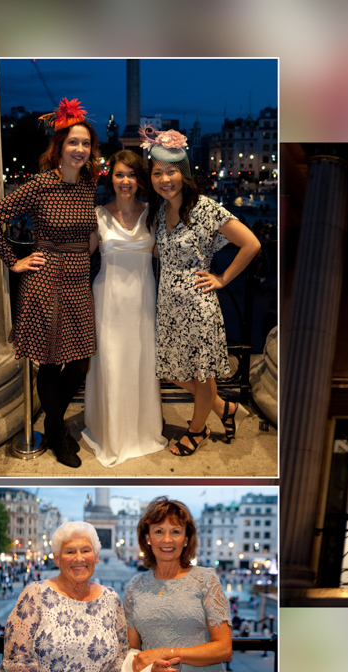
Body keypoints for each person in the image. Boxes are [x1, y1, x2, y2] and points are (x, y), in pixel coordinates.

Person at [0, 98, 99, 468]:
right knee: (49, 363)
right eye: (73, 142)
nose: (80, 149)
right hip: (46, 280)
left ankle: (53, 423)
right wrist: (15, 261)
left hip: (80, 278)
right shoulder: (40, 185)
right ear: (59, 146)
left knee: (79, 364)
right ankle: (59, 434)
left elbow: (90, 232)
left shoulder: (90, 184)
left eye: (86, 143)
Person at [144, 127, 262, 456]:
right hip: (168, 306)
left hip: (198, 305)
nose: (164, 179)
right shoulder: (157, 212)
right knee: (170, 370)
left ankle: (197, 430)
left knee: (200, 373)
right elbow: (158, 252)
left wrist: (223, 278)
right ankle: (224, 408)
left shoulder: (205, 208)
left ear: (184, 174)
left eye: (171, 172)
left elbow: (251, 243)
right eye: (157, 173)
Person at [79, 148, 167, 467]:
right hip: (108, 303)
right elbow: (82, 252)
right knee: (112, 364)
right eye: (119, 174)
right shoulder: (97, 214)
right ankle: (112, 433)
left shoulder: (154, 214)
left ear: (139, 179)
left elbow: (167, 253)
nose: (125, 181)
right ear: (110, 178)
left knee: (142, 362)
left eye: (131, 175)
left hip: (143, 303)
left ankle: (142, 429)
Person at [0, 522, 129, 672]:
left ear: (96, 556)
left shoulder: (111, 598)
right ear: (57, 559)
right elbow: (16, 661)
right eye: (70, 552)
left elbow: (121, 654)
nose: (79, 558)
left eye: (86, 550)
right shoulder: (34, 595)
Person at [124, 498, 232, 672]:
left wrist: (164, 653)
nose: (167, 540)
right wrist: (149, 671)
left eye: (175, 531)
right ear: (147, 538)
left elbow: (224, 649)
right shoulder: (134, 587)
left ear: (186, 539)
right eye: (159, 531)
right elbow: (133, 650)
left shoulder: (206, 580)